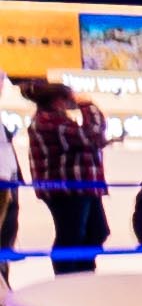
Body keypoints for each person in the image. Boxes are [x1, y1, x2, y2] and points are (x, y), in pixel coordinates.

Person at [21, 78, 105, 277]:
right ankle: (67, 280)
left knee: (96, 231)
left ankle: (84, 276)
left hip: (83, 186)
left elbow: (89, 140)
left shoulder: (58, 120)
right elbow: (90, 135)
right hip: (68, 189)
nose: (72, 102)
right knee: (72, 236)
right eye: (68, 98)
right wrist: (87, 105)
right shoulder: (48, 122)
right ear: (58, 100)